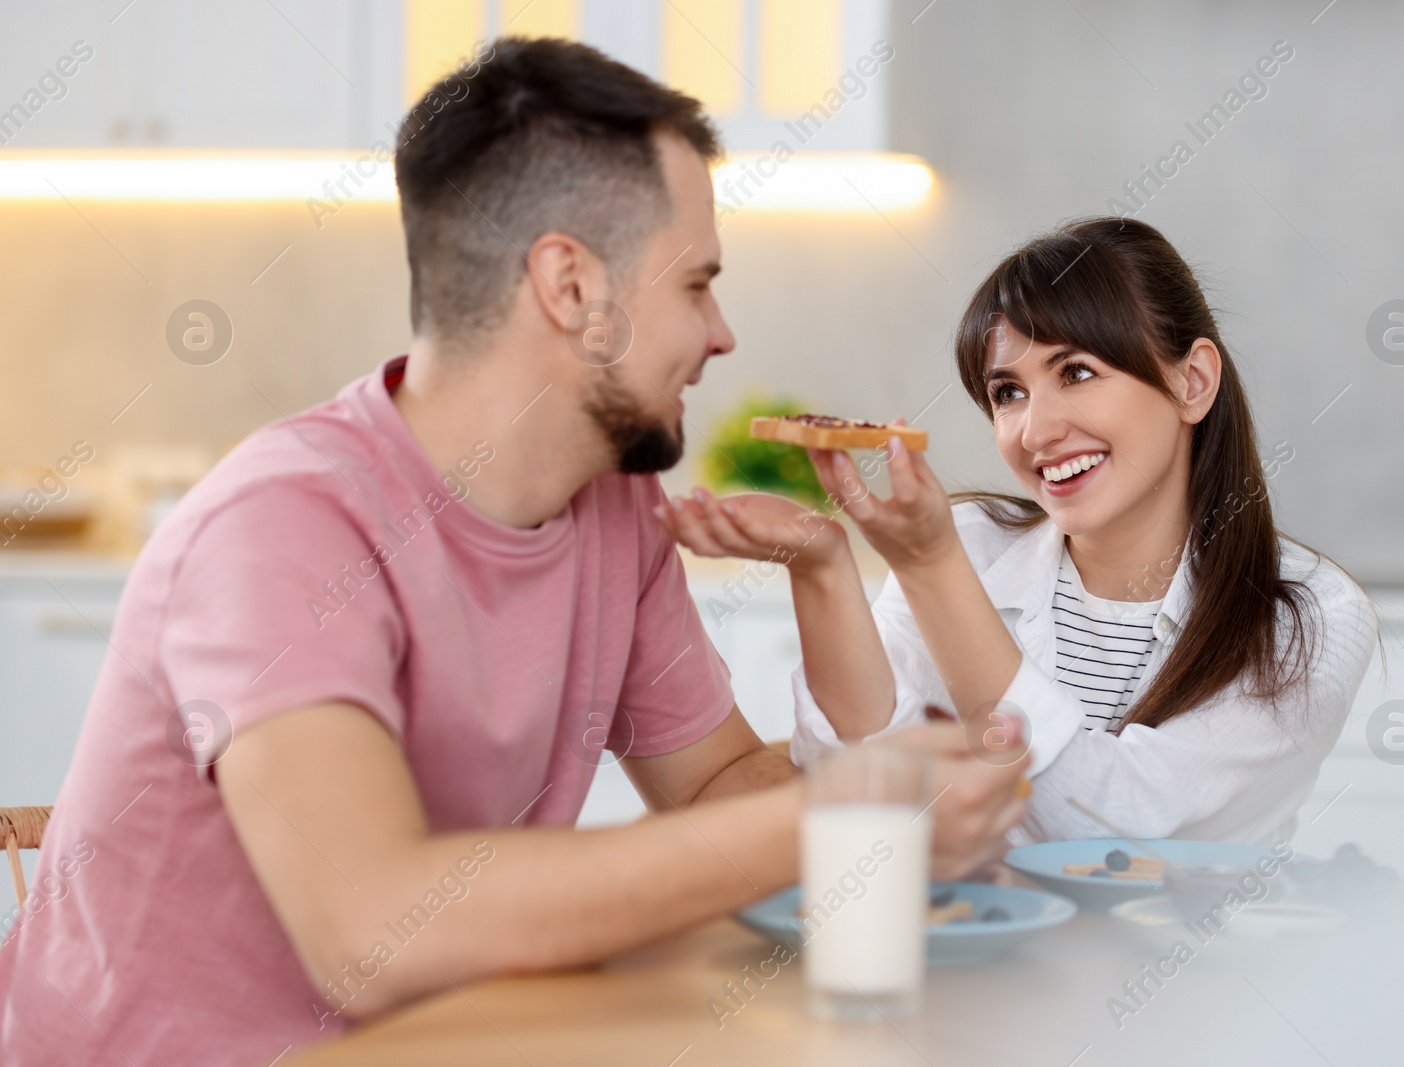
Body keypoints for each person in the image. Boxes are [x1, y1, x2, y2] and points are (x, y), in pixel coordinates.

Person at [0, 38, 1028, 1067]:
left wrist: (904, 820)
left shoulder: (613, 506)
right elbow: (374, 933)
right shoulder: (284, 524)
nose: (720, 334)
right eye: (697, 284)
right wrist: (832, 818)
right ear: (571, 286)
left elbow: (714, 783)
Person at [660, 216, 1379, 847]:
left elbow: (1125, 833)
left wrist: (934, 568)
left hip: (1200, 988)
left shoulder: (1307, 615)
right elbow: (850, 781)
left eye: (1077, 371)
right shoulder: (971, 545)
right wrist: (822, 568)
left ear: (1192, 382)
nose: (1035, 431)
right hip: (973, 982)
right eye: (1009, 392)